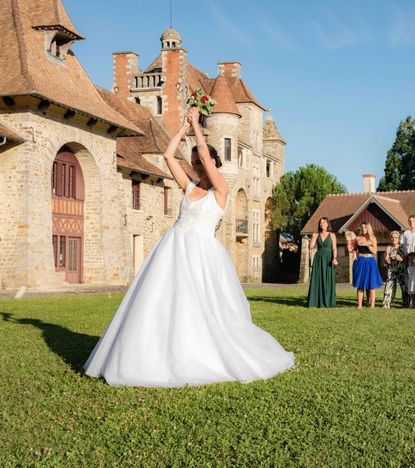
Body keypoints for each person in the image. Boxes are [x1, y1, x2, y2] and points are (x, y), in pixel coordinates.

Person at [84, 108, 294, 387]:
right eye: (194, 161)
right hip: (173, 248)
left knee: (202, 305)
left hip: (202, 254)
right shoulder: (189, 184)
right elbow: (170, 157)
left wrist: (197, 125)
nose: (196, 165)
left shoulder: (221, 190)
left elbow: (207, 156)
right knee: (162, 301)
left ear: (213, 164)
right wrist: (183, 129)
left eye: (200, 161)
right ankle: (153, 353)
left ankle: (198, 353)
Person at [307, 217, 338, 308]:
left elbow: (334, 248)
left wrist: (334, 258)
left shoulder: (332, 235)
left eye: (324, 222)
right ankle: (315, 302)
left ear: (327, 224)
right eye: (321, 222)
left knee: (328, 279)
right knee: (318, 279)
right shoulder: (316, 235)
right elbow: (311, 247)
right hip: (319, 258)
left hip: (329, 258)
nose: (322, 224)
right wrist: (313, 238)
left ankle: (328, 302)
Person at [352, 222, 383, 308]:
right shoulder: (357, 238)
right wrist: (354, 258)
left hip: (370, 261)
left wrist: (368, 245)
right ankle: (359, 305)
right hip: (360, 260)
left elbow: (374, 251)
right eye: (362, 227)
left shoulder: (373, 238)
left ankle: (372, 305)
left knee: (371, 284)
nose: (363, 229)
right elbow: (354, 249)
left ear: (368, 228)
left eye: (365, 227)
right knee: (360, 284)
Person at [381, 231, 405, 308]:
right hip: (391, 269)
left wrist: (401, 259)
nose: (394, 239)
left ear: (399, 238)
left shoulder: (403, 247)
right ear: (391, 238)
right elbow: (386, 258)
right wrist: (386, 260)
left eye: (396, 237)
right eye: (393, 237)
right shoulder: (389, 248)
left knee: (404, 286)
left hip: (401, 268)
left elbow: (406, 259)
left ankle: (406, 302)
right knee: (389, 286)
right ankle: (386, 303)